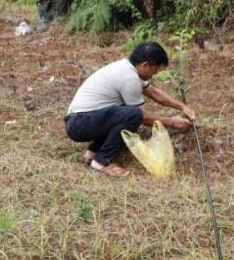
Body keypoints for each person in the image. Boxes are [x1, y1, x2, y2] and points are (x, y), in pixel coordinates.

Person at [64, 42, 195, 177]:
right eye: (155, 70)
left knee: (124, 113)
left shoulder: (126, 68)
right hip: (79, 124)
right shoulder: (129, 78)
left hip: (80, 121)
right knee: (133, 115)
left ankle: (92, 154)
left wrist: (182, 106)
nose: (154, 74)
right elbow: (143, 117)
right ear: (145, 65)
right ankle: (101, 162)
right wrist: (172, 122)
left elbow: (154, 92)